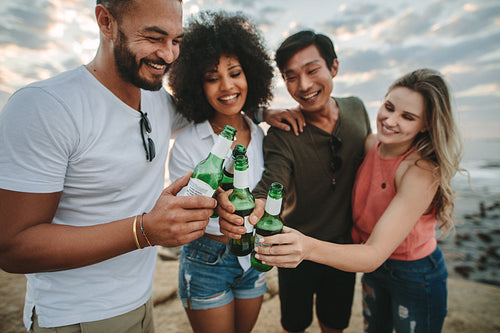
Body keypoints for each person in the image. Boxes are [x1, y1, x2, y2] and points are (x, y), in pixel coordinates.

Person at [0, 1, 302, 332]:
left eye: (176, 40)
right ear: (106, 22)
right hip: (76, 316)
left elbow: (215, 106)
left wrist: (262, 114)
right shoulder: (45, 107)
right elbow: (12, 247)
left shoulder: (157, 100)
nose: (170, 55)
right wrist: (143, 230)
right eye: (155, 37)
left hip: (142, 306)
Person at [254, 69, 464, 333]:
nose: (390, 120)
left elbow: (374, 253)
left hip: (414, 273)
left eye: (407, 117)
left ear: (426, 125)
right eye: (389, 107)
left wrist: (305, 247)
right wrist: (265, 113)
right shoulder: (370, 145)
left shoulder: (421, 172)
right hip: (374, 271)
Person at [218, 30, 372, 333]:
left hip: (343, 249)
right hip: (293, 247)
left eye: (312, 70)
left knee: (334, 324)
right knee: (294, 325)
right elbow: (273, 179)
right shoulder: (282, 133)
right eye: (290, 77)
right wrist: (254, 206)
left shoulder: (356, 108)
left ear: (334, 67)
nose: (303, 85)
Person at [167, 11, 276, 333]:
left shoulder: (259, 133)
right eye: (212, 77)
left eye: (235, 73)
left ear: (251, 76)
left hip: (253, 254)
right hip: (206, 258)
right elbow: (183, 212)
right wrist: (219, 206)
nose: (227, 86)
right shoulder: (189, 142)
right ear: (196, 85)